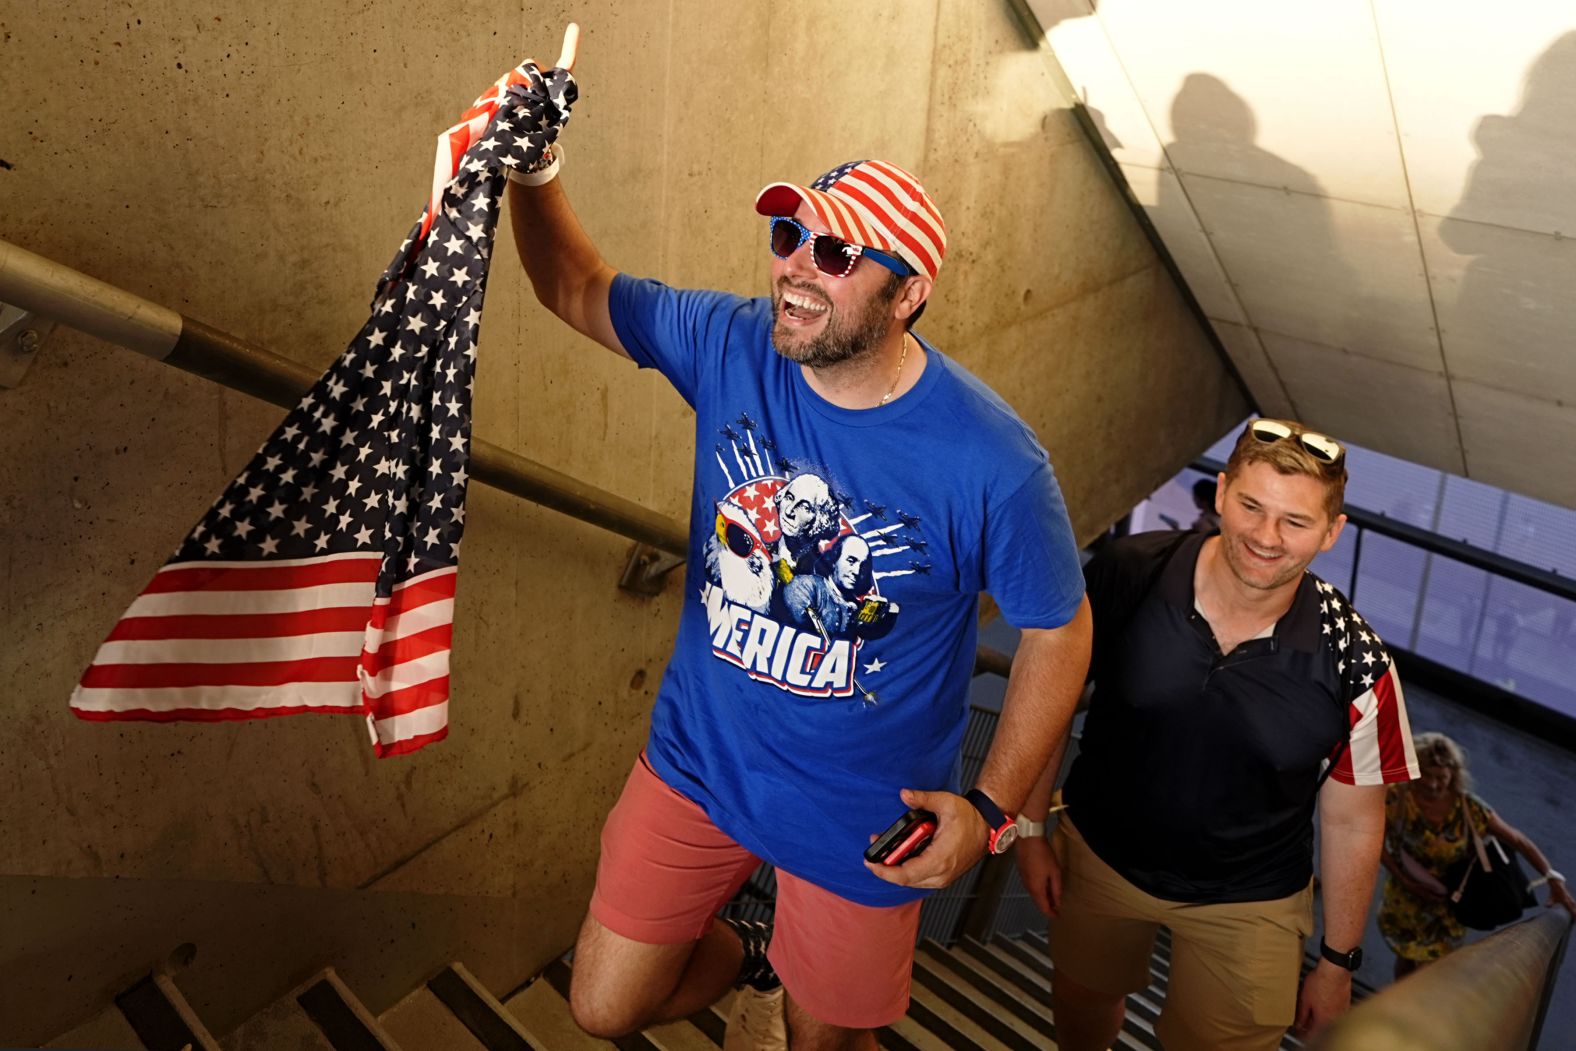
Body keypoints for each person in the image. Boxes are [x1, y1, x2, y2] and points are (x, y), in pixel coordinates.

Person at [507, 25, 1092, 1051]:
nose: (794, 270)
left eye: (833, 253)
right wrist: (534, 165)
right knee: (603, 1005)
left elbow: (1059, 628)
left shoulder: (994, 462)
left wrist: (993, 812)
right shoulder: (733, 343)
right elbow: (572, 287)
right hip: (700, 762)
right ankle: (749, 953)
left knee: (828, 1047)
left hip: (864, 819)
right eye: (787, 238)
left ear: (907, 293)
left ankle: (793, 982)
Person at [1015, 417, 1422, 1051]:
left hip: (1250, 898)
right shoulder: (1131, 570)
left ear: (1332, 532)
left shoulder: (1358, 662)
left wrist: (1338, 963)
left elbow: (1353, 820)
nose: (1266, 537)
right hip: (1101, 857)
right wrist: (1032, 828)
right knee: (1083, 1001)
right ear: (1223, 492)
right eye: (1252, 506)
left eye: (1296, 521)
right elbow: (1053, 698)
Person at [1378, 731, 1575, 979]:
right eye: (1424, 774)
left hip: (1449, 906)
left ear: (1453, 774)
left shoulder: (1469, 808)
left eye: (1439, 776)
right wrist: (1403, 879)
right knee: (1405, 960)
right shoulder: (1397, 797)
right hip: (1405, 899)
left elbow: (1517, 840)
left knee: (1430, 972)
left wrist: (1553, 880)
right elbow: (1373, 839)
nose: (1431, 784)